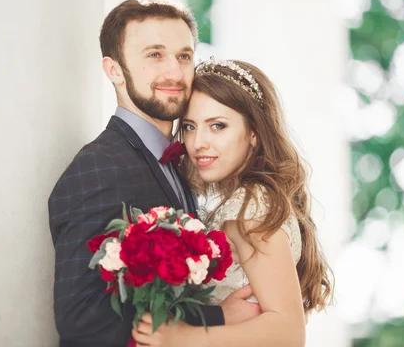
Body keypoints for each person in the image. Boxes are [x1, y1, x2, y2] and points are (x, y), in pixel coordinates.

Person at [48, 0, 261, 347]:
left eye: (184, 56)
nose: (175, 73)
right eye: (154, 55)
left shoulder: (182, 164)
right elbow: (83, 322)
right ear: (114, 69)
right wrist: (216, 318)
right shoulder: (98, 168)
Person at [131, 59, 334, 347]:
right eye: (189, 127)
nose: (198, 142)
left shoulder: (248, 206)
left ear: (254, 132)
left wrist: (182, 338)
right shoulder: (251, 199)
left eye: (217, 126)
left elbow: (288, 331)